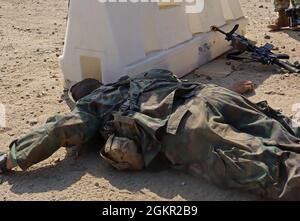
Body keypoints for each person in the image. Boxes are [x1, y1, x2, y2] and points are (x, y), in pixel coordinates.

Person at [1, 69, 300, 201]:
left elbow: (57, 129)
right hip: (213, 97)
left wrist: (10, 158)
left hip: (186, 125)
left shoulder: (94, 105)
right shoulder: (140, 77)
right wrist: (232, 91)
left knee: (274, 171)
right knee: (286, 135)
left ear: (82, 98)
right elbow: (184, 83)